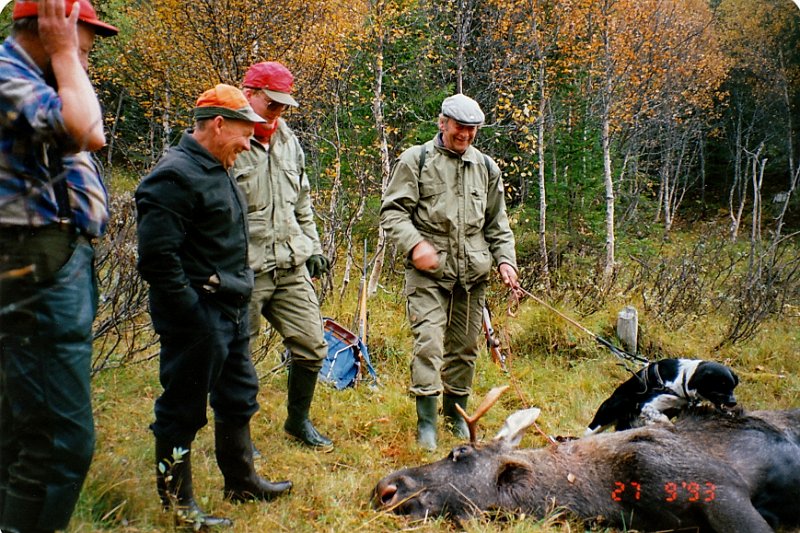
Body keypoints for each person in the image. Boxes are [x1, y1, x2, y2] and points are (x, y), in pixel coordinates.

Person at [135, 84, 292, 528]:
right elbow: (157, 259)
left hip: (233, 307)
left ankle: (242, 481)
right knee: (182, 408)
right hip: (198, 316)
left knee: (238, 396)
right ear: (219, 124)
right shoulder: (174, 175)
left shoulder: (219, 165)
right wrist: (191, 313)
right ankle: (178, 505)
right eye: (244, 133)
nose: (249, 144)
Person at [0, 1, 117, 531]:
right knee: (60, 444)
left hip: (54, 263)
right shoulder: (7, 75)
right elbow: (88, 131)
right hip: (33, 271)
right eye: (81, 44)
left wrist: (67, 58)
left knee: (20, 427)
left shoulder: (40, 80)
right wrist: (66, 54)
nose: (85, 60)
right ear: (46, 29)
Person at [380, 93, 520, 451]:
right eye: (460, 127)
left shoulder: (486, 167)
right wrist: (416, 245)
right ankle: (426, 422)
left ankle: (456, 413)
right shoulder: (416, 160)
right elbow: (393, 213)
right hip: (428, 273)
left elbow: (497, 224)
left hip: (472, 275)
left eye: (473, 129)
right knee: (429, 343)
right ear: (443, 123)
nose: (466, 135)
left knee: (465, 348)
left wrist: (506, 261)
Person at [233, 61, 333, 449]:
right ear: (249, 93)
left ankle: (297, 422)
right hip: (246, 269)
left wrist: (315, 247)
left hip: (290, 265)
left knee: (312, 346)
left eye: (283, 105)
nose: (278, 111)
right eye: (270, 103)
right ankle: (237, 436)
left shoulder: (290, 142)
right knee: (237, 357)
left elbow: (302, 203)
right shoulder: (229, 138)